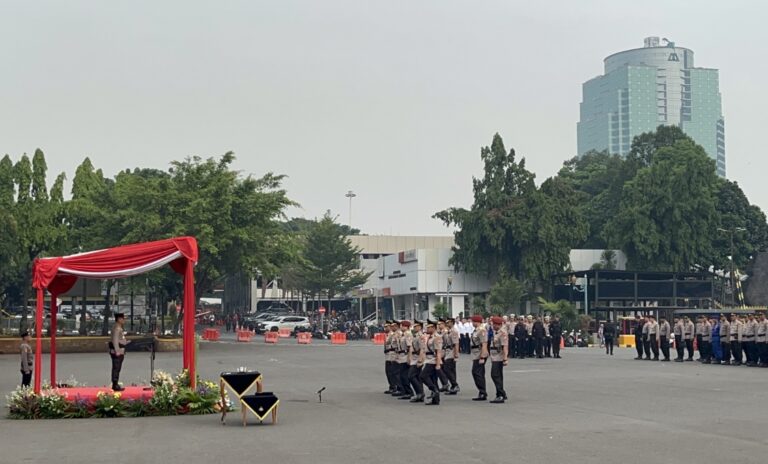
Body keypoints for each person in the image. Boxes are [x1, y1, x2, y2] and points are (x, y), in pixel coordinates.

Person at [419, 320, 442, 406]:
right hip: (428, 359)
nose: (427, 329)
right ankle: (436, 400)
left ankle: (434, 390)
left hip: (433, 360)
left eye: (429, 327)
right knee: (433, 379)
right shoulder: (430, 337)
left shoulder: (437, 337)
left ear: (433, 328)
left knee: (422, 376)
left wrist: (438, 364)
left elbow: (438, 351)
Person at [488, 317, 508, 404]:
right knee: (498, 376)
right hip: (494, 355)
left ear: (498, 325)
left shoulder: (502, 333)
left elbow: (505, 347)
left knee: (495, 375)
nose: (492, 325)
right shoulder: (495, 332)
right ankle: (501, 393)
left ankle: (500, 394)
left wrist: (505, 358)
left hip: (499, 356)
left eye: (494, 324)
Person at [469, 315, 489, 401]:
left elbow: (484, 344)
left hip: (480, 353)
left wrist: (482, 357)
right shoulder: (476, 330)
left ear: (477, 322)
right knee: (478, 373)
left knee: (477, 373)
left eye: (473, 321)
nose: (472, 323)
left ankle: (482, 392)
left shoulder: (482, 330)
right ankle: (482, 392)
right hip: (476, 353)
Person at [109, 313, 130, 391]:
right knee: (116, 367)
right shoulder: (117, 328)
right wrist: (117, 350)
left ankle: (115, 383)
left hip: (120, 350)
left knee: (117, 367)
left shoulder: (118, 327)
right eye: (123, 318)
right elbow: (115, 340)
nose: (124, 320)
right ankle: (115, 384)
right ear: (119, 319)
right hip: (117, 351)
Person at [405, 320, 424, 402]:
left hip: (418, 357)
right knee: (417, 377)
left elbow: (422, 348)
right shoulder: (415, 335)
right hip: (414, 357)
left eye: (416, 326)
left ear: (420, 327)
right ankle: (419, 394)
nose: (414, 327)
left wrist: (420, 359)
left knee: (410, 375)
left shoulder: (421, 336)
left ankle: (420, 393)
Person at [394, 321, 412, 398]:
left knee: (404, 376)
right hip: (401, 356)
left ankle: (409, 392)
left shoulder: (408, 334)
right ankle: (405, 391)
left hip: (405, 356)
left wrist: (409, 358)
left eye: (402, 326)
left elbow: (409, 347)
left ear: (406, 327)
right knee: (401, 375)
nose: (400, 327)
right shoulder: (402, 335)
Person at [442, 318, 460, 394]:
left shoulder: (454, 331)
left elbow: (456, 344)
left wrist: (456, 354)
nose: (447, 323)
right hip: (447, 351)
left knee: (447, 369)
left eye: (448, 322)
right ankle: (453, 387)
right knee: (451, 370)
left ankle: (455, 384)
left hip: (452, 351)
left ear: (452, 323)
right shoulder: (448, 331)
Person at [383, 321, 398, 394]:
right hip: (388, 355)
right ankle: (391, 386)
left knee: (392, 372)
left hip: (392, 355)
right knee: (388, 372)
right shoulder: (388, 334)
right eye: (385, 326)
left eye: (386, 326)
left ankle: (394, 386)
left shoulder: (392, 334)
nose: (385, 328)